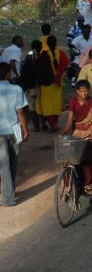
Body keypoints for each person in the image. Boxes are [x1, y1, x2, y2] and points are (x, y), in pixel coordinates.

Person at [61, 80, 92, 195]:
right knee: (67, 158)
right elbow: (69, 121)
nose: (84, 93)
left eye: (86, 91)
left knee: (86, 155)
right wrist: (63, 133)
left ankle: (88, 182)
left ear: (89, 91)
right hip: (77, 133)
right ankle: (70, 184)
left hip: (90, 132)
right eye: (81, 91)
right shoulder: (73, 101)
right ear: (77, 92)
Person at [0, 62, 28, 206]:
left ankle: (8, 196)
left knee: (3, 164)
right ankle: (9, 195)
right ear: (8, 74)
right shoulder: (16, 89)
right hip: (15, 129)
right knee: (13, 161)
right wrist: (25, 129)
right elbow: (20, 112)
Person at [36, 36, 70, 132]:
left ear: (46, 43)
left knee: (46, 106)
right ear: (56, 43)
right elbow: (66, 67)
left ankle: (53, 125)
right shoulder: (61, 53)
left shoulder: (43, 54)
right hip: (57, 84)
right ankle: (54, 123)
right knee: (56, 105)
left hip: (46, 84)